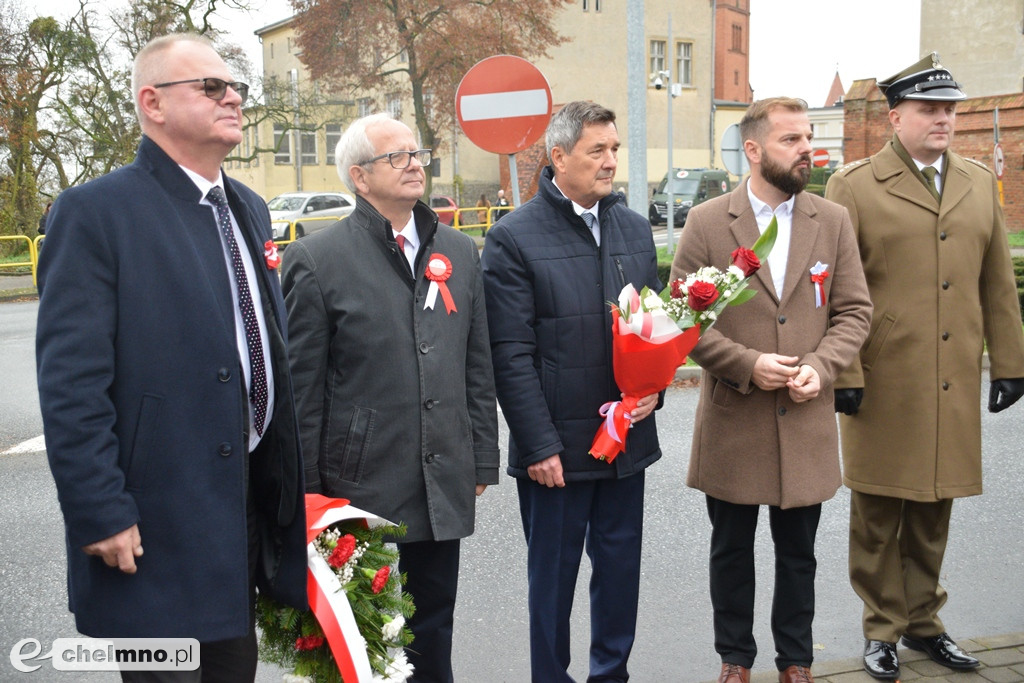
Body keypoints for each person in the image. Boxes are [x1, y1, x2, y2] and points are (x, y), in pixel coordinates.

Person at [35, 33, 307, 681]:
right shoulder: (95, 212)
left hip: (240, 510)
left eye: (235, 85)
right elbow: (72, 383)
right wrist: (101, 509)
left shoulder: (247, 205)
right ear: (152, 103)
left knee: (232, 670)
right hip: (155, 520)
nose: (233, 96)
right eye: (211, 87)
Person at [825, 53, 1024, 680]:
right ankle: (881, 630)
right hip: (885, 376)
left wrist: (1010, 362)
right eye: (930, 110)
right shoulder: (853, 185)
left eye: (949, 109)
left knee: (937, 505)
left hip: (954, 374)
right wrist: (846, 373)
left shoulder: (972, 180)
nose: (943, 119)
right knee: (880, 511)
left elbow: (997, 282)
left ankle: (925, 624)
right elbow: (832, 288)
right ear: (895, 117)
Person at [281, 112, 499, 683]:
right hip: (357, 478)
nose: (414, 164)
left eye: (416, 153)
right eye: (396, 156)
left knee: (433, 623)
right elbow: (302, 390)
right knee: (363, 630)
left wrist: (480, 455)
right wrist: (304, 491)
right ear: (359, 177)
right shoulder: (316, 260)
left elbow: (476, 361)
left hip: (441, 468)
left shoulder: (457, 249)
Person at [672, 97, 872, 683]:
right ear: (753, 150)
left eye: (807, 137)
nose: (806, 149)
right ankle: (735, 659)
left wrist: (823, 366)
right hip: (735, 416)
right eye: (791, 140)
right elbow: (682, 320)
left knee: (799, 555)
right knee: (731, 551)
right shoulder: (709, 221)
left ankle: (797, 661)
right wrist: (745, 363)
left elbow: (854, 311)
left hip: (806, 414)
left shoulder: (830, 220)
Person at [481, 100, 662, 683]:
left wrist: (653, 388)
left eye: (615, 150)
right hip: (556, 455)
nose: (611, 162)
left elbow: (652, 326)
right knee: (552, 585)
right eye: (597, 151)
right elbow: (510, 353)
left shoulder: (634, 228)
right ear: (558, 158)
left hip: (625, 445)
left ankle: (612, 674)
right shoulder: (512, 238)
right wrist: (537, 446)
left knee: (619, 576)